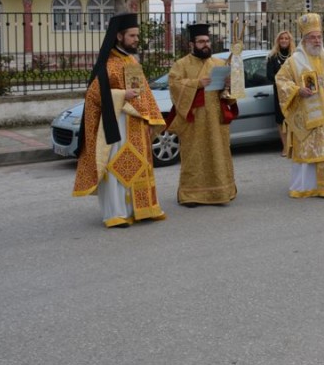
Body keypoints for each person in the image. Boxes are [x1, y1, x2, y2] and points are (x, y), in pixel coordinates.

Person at [73, 12, 167, 228]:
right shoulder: (107, 64)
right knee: (117, 167)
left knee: (138, 165)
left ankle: (144, 209)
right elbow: (93, 95)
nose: (136, 39)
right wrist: (121, 95)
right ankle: (115, 213)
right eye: (132, 35)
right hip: (115, 125)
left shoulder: (132, 60)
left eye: (137, 35)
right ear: (119, 36)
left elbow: (142, 92)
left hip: (136, 124)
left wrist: (151, 116)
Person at [166, 23, 238, 206]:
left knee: (218, 153)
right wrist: (198, 83)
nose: (206, 44)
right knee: (194, 155)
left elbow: (229, 95)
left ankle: (222, 191)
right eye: (201, 42)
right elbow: (174, 85)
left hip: (216, 118)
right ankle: (191, 195)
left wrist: (228, 85)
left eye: (207, 41)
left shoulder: (219, 64)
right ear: (192, 44)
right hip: (194, 120)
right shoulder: (181, 65)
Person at [275, 13, 324, 198]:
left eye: (319, 37)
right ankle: (306, 187)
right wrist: (297, 90)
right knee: (309, 153)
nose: (317, 41)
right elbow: (280, 80)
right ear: (305, 40)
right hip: (307, 116)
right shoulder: (294, 61)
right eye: (312, 37)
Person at [267, 30, 295, 155]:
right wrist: (282, 83)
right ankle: (285, 147)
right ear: (278, 41)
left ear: (290, 41)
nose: (284, 40)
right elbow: (269, 76)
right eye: (281, 38)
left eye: (286, 38)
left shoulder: (295, 56)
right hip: (279, 93)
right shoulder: (272, 57)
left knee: (293, 118)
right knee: (281, 119)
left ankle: (295, 146)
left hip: (293, 92)